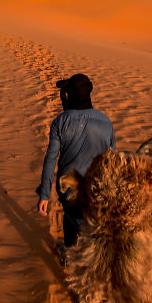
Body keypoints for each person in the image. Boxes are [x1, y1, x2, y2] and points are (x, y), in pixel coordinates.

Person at [36, 73, 115, 251]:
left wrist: (44, 195)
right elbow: (113, 161)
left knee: (72, 219)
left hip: (69, 190)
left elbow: (50, 159)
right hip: (99, 190)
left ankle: (71, 254)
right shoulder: (106, 122)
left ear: (68, 95)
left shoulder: (59, 122)